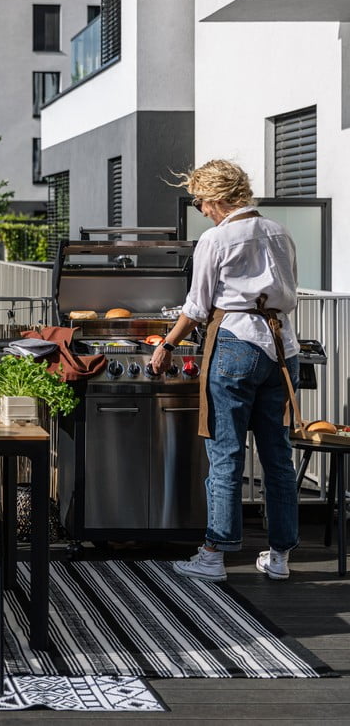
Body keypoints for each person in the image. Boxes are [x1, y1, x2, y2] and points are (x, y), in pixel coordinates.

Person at [152, 159, 299, 582]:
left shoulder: (216, 239)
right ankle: (280, 557)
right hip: (282, 349)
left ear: (217, 197)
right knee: (277, 457)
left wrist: (167, 344)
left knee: (225, 455)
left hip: (235, 344)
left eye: (201, 201)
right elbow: (288, 293)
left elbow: (197, 307)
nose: (201, 209)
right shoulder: (280, 232)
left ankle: (214, 555)